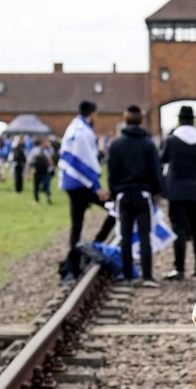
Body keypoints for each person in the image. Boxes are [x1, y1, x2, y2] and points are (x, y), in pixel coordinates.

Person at [106, 105, 162, 287]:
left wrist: (115, 193)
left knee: (125, 235)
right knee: (145, 235)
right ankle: (148, 276)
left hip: (124, 194)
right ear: (141, 120)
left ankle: (128, 275)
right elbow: (156, 170)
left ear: (125, 119)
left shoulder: (116, 144)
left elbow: (111, 172)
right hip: (143, 193)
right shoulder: (148, 144)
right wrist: (155, 191)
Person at [60, 101, 113, 281]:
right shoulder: (84, 133)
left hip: (70, 183)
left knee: (77, 225)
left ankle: (71, 268)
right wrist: (97, 187)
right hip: (82, 184)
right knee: (115, 208)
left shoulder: (73, 127)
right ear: (91, 114)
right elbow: (88, 161)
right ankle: (94, 246)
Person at [161, 105, 196, 280]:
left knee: (179, 230)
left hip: (176, 189)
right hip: (195, 188)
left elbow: (163, 158)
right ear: (193, 120)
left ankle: (179, 268)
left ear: (179, 120)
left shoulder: (172, 140)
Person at [30, 137, 55, 204]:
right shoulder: (44, 151)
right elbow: (50, 160)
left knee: (38, 186)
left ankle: (38, 199)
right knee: (44, 185)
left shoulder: (34, 150)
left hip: (39, 171)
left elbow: (30, 161)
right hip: (43, 170)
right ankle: (45, 196)